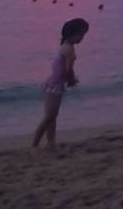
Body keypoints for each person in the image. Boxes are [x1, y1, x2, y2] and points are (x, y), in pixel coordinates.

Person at [32, 18, 89, 148]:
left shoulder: (67, 46)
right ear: (72, 34)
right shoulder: (69, 49)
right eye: (81, 34)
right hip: (54, 86)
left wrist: (69, 79)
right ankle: (35, 143)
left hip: (54, 84)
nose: (82, 38)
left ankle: (51, 142)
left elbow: (64, 68)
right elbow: (68, 69)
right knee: (49, 117)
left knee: (52, 116)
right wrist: (72, 80)